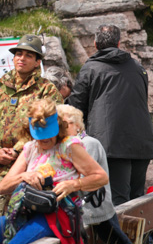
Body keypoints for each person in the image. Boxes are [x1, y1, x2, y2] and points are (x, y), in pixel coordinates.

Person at [68, 24, 153, 205]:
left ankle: (121, 235)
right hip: (143, 141)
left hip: (111, 143)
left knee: (118, 200)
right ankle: (140, 235)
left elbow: (76, 106)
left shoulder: (91, 68)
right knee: (138, 199)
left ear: (95, 43)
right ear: (118, 43)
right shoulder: (137, 67)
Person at [0, 99, 108, 244]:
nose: (44, 140)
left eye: (48, 134)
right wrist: (23, 177)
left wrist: (74, 184)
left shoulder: (69, 146)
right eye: (40, 136)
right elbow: (3, 186)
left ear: (58, 126)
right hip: (26, 210)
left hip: (57, 214)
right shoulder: (30, 148)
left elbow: (101, 177)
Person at [0, 34, 63, 208]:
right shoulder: (1, 85)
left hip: (30, 165)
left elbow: (50, 126)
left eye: (28, 55)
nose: (22, 58)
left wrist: (15, 151)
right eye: (19, 54)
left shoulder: (46, 90)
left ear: (37, 62)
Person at [56, 105, 132, 244]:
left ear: (78, 126)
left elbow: (86, 179)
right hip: (79, 210)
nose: (65, 127)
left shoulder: (87, 144)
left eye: (69, 123)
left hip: (95, 210)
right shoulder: (62, 146)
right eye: (62, 124)